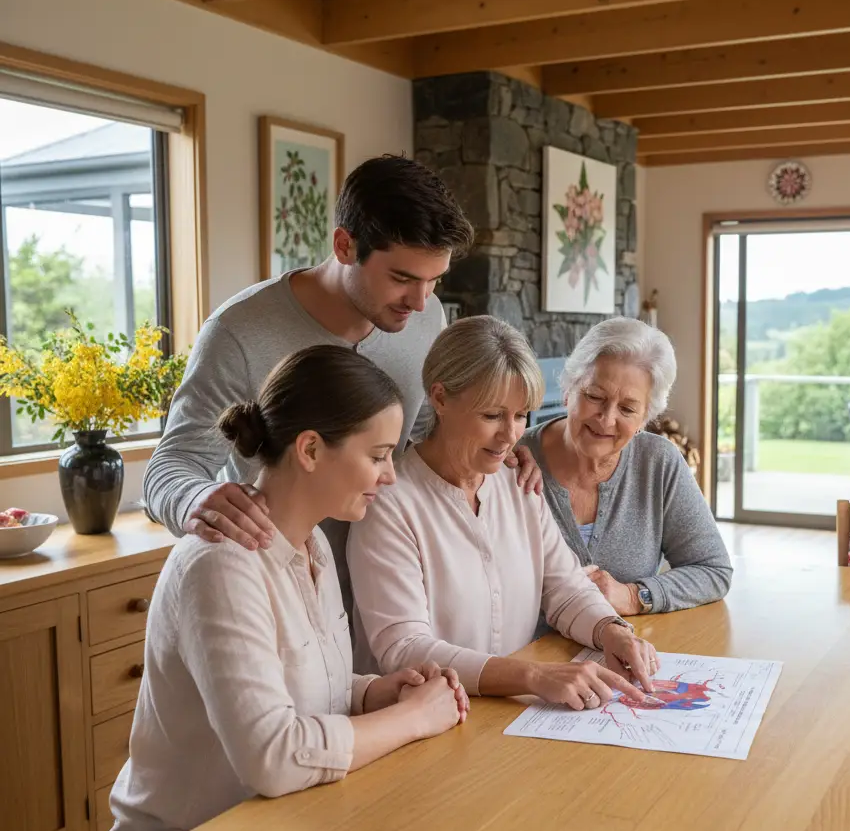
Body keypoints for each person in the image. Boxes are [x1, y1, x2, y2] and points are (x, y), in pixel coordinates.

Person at [104, 346, 468, 831]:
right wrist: (408, 719)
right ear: (309, 449)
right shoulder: (221, 566)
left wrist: (377, 689)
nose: (391, 474)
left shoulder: (312, 547)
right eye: (378, 455)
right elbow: (272, 755)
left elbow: (305, 685)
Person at [143, 155, 540, 608]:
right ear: (345, 246)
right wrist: (198, 498)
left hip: (392, 583)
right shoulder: (239, 332)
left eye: (435, 280)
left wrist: (494, 444)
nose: (420, 300)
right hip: (275, 587)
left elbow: (427, 441)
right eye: (402, 278)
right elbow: (169, 467)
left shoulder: (428, 317)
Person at [348, 316, 662, 710]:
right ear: (440, 398)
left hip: (505, 717)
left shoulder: (520, 481)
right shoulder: (389, 503)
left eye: (520, 415)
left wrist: (611, 630)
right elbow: (403, 647)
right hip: (416, 724)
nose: (510, 434)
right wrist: (533, 676)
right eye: (492, 415)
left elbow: (564, 587)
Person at [519, 318, 732, 617]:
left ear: (645, 417)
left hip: (625, 652)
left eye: (628, 409)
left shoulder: (658, 463)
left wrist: (634, 596)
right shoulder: (513, 458)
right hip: (528, 657)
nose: (606, 419)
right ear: (568, 389)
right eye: (594, 396)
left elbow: (713, 570)